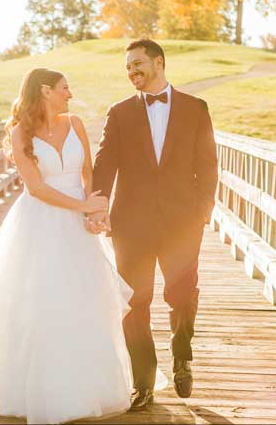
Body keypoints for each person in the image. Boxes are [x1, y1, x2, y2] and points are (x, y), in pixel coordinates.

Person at [0, 67, 159, 424]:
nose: (69, 94)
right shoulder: (20, 133)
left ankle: (89, 383)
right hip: (40, 222)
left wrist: (95, 209)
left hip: (79, 221)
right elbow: (36, 188)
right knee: (41, 299)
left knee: (84, 297)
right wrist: (81, 206)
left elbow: (88, 170)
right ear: (45, 91)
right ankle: (40, 385)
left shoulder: (74, 124)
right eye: (64, 88)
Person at [90, 38, 219, 411]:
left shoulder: (196, 108)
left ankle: (182, 354)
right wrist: (99, 204)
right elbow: (105, 163)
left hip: (183, 222)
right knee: (135, 301)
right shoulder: (119, 113)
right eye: (127, 68)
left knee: (181, 294)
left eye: (137, 64)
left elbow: (208, 163)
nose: (132, 72)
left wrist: (203, 208)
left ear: (158, 62)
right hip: (131, 223)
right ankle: (143, 381)